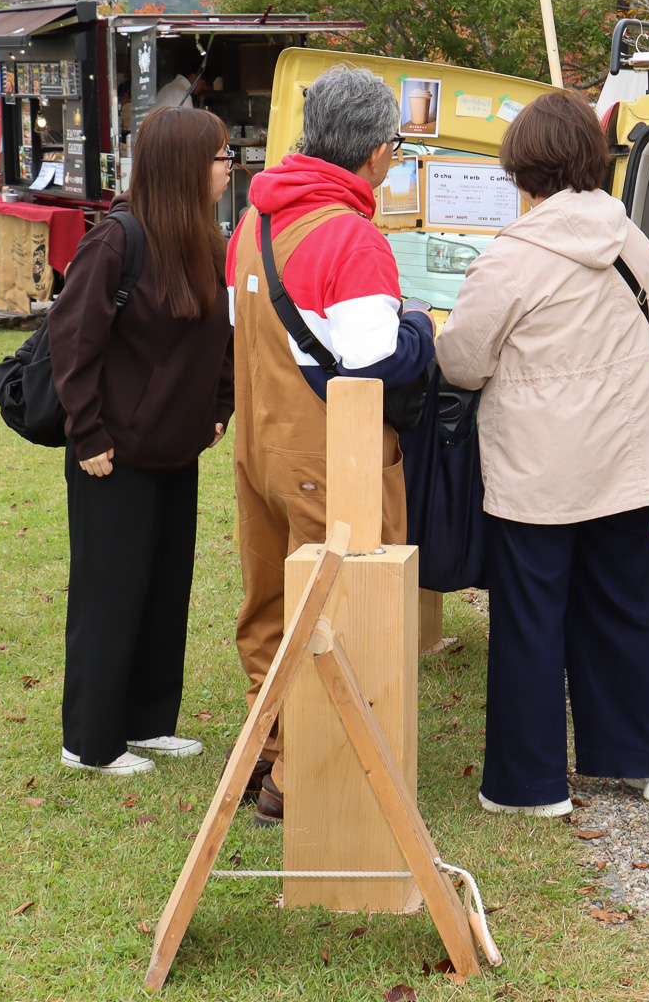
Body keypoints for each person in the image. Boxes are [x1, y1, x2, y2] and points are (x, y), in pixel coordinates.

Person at [435, 91, 649, 817]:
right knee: (629, 604)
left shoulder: (510, 258)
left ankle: (531, 785)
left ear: (522, 170)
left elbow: (462, 361)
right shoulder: (627, 235)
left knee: (531, 618)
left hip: (541, 466)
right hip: (626, 454)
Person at [225, 63, 437, 824]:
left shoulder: (256, 220)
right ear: (378, 152)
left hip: (260, 444)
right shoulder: (350, 236)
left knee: (269, 604)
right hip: (329, 456)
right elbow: (376, 359)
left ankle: (263, 744)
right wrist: (420, 328)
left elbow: (236, 330)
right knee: (338, 610)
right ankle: (300, 773)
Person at [48, 106, 236, 777]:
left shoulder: (209, 243)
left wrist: (220, 406)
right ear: (181, 165)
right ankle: (91, 742)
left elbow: (221, 341)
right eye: (217, 156)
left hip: (176, 450)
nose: (228, 166)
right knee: (110, 592)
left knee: (163, 588)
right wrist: (88, 432)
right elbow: (73, 345)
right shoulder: (116, 241)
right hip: (113, 456)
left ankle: (149, 721)